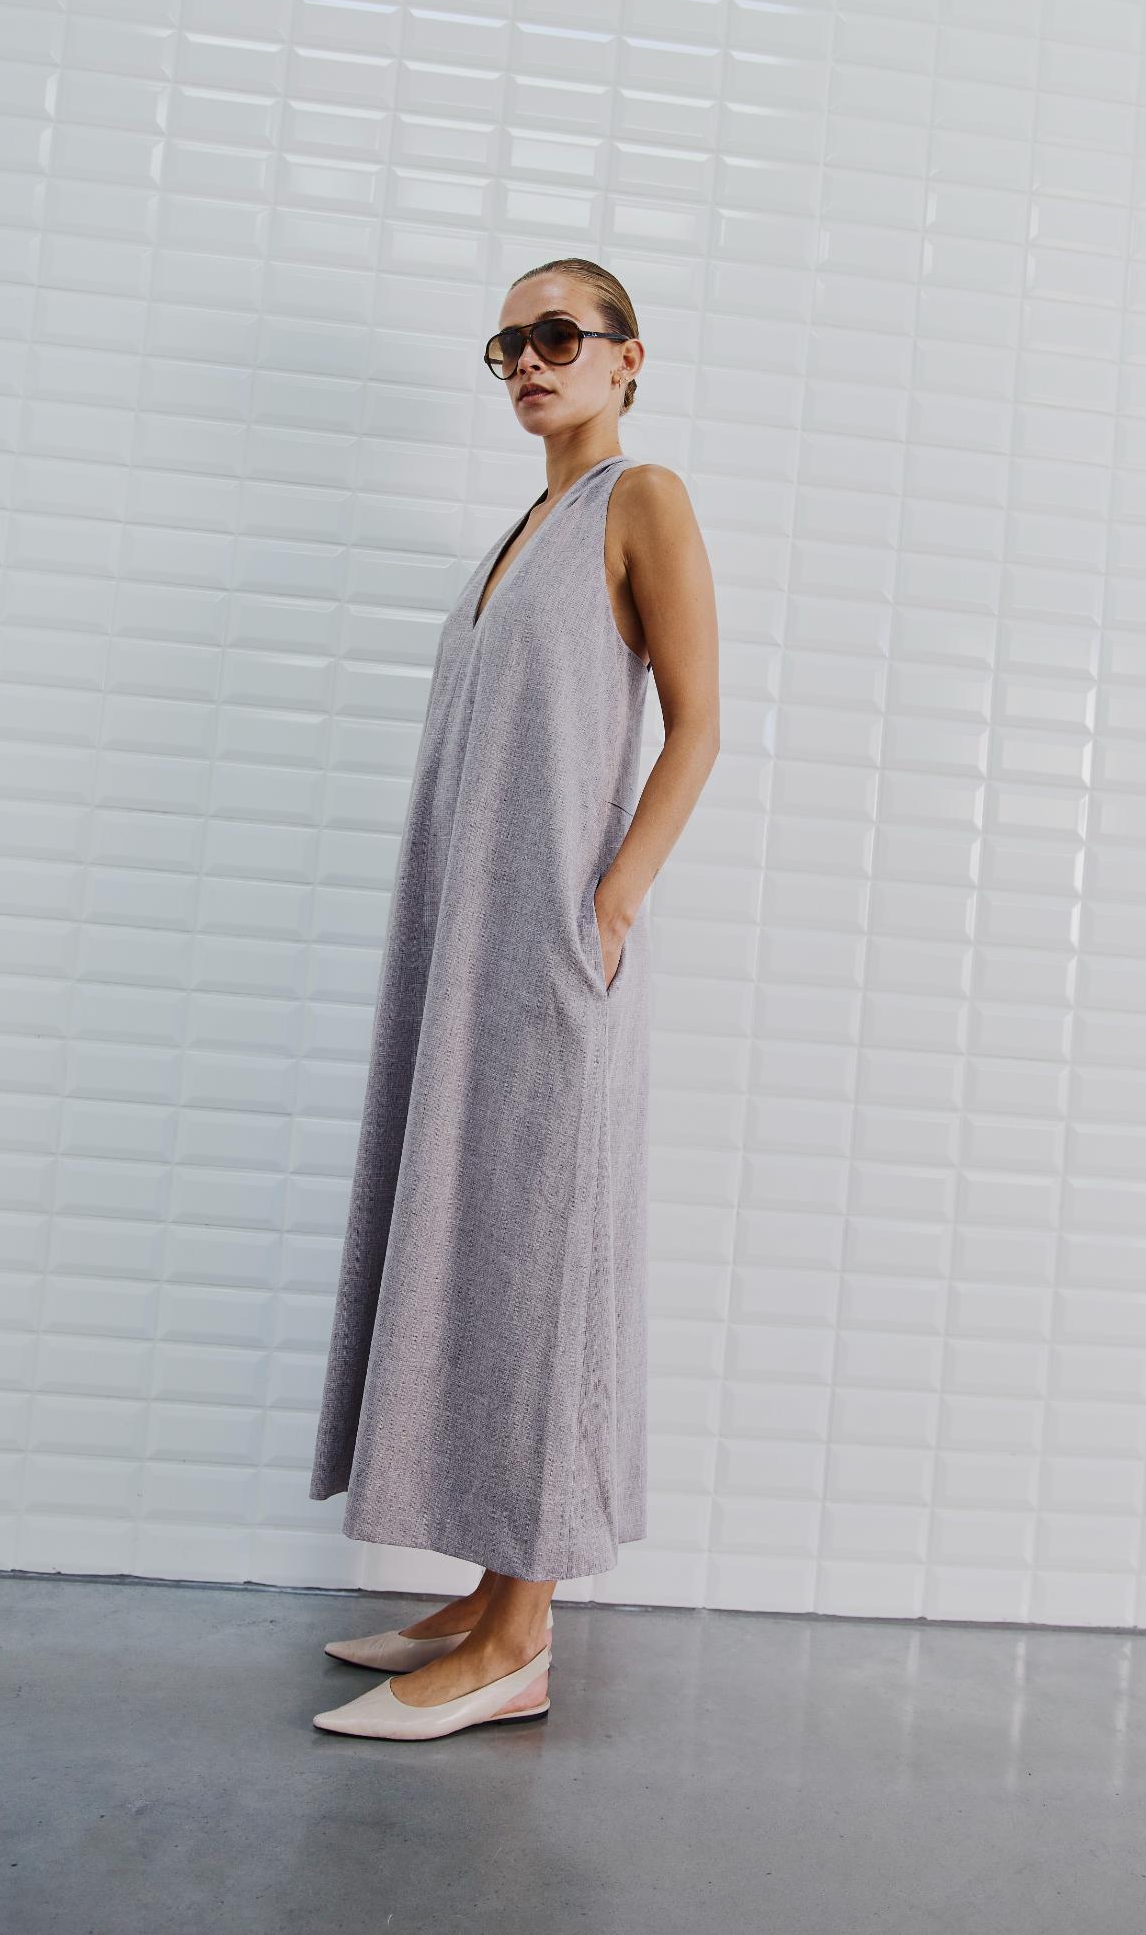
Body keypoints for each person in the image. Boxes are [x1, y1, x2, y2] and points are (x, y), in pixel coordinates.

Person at [307, 257, 720, 1741]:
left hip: (549, 946)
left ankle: (521, 1640)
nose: (529, 360)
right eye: (507, 345)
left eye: (558, 335)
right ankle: (489, 1593)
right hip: (465, 945)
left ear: (628, 357)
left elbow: (698, 724)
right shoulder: (521, 528)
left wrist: (608, 903)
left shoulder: (640, 499)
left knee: (542, 1259)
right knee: (479, 1243)